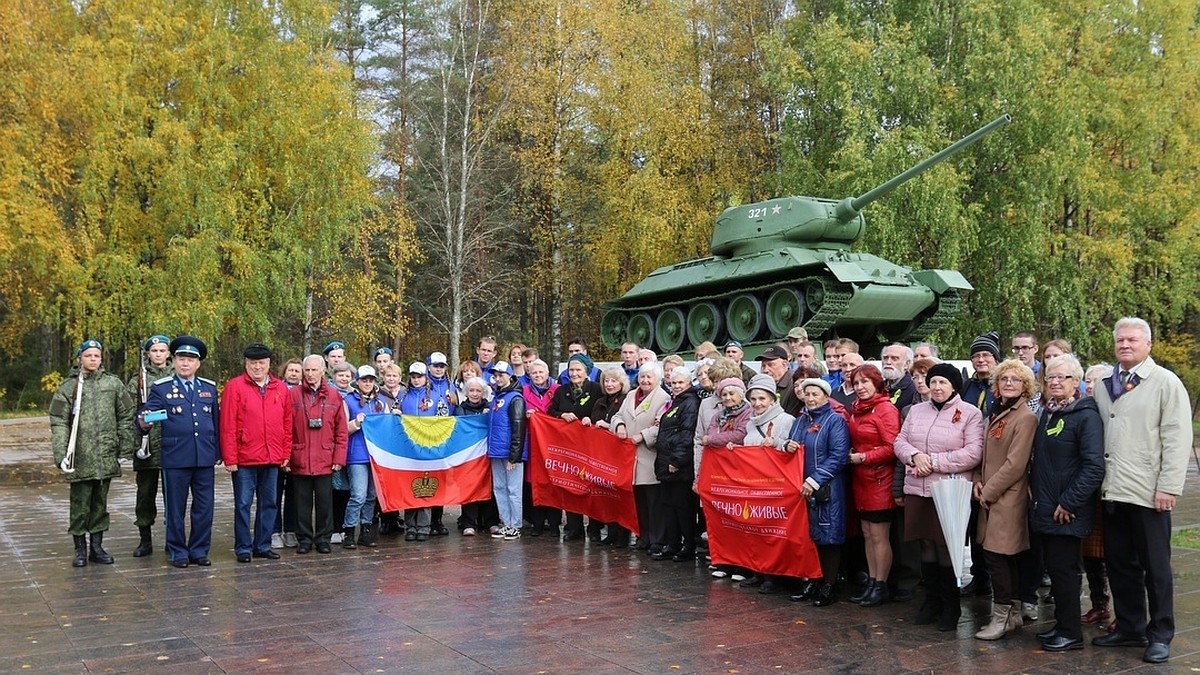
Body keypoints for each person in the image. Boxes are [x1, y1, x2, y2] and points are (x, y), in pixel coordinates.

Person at [1092, 317, 1192, 664]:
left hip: (1150, 492)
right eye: (1120, 340)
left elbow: (1177, 439)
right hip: (1114, 491)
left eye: (1132, 340)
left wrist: (1168, 486)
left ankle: (1160, 633)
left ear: (1148, 344)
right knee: (1120, 564)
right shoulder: (1104, 384)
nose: (1125, 345)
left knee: (1157, 568)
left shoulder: (1165, 383)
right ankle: (1130, 626)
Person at [893, 362, 984, 631]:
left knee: (946, 546)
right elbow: (900, 441)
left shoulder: (970, 413)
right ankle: (931, 601)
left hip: (948, 490)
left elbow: (973, 453)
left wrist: (932, 461)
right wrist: (914, 456)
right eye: (933, 382)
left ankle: (951, 605)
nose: (936, 387)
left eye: (942, 382)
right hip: (917, 489)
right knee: (925, 545)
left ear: (954, 385)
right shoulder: (916, 410)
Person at [1029, 354, 1105, 652]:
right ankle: (1061, 624)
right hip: (1046, 506)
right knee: (1057, 570)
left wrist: (1070, 502)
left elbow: (1093, 466)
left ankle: (1071, 633)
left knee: (1065, 572)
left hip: (1066, 511)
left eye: (1063, 377)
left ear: (1077, 382)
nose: (1055, 382)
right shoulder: (1050, 412)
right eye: (1050, 377)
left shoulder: (1085, 415)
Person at [50, 339, 137, 567]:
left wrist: (125, 447)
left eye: (96, 356)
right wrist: (62, 454)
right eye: (88, 355)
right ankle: (80, 549)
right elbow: (58, 421)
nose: (92, 359)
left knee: (100, 504)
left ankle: (97, 547)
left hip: (105, 455)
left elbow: (127, 415)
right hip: (80, 456)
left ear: (101, 359)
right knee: (80, 505)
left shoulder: (113, 384)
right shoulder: (68, 387)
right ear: (80, 358)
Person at [136, 336, 219, 568]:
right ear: (174, 361)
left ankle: (199, 550)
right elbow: (147, 416)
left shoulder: (208, 388)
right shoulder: (162, 388)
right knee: (175, 509)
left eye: (190, 360)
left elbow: (215, 421)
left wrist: (218, 451)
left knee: (204, 508)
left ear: (198, 364)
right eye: (181, 359)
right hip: (175, 458)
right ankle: (178, 551)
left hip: (203, 456)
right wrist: (146, 420)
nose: (185, 364)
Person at [972, 359, 1037, 640]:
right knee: (1000, 557)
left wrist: (988, 492)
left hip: (1008, 497)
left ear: (1026, 387)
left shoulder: (1025, 418)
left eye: (1015, 379)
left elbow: (1015, 464)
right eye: (1004, 379)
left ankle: (1001, 618)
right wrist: (977, 479)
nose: (1008, 383)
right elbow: (985, 455)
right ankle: (1010, 615)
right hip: (990, 494)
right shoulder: (998, 412)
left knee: (999, 556)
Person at [220, 343, 292, 564]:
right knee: (243, 504)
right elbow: (227, 424)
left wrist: (285, 452)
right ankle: (243, 546)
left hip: (272, 457)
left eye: (261, 363)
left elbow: (287, 423)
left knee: (269, 503)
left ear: (269, 364)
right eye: (253, 363)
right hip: (244, 458)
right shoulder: (235, 387)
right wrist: (230, 458)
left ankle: (262, 544)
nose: (257, 367)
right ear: (246, 363)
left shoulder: (280, 388)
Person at [787, 377, 850, 606]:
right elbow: (791, 445)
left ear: (825, 396)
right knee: (808, 537)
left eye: (816, 394)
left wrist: (815, 479)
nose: (811, 399)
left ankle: (829, 585)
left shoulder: (835, 421)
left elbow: (838, 456)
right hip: (800, 488)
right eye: (807, 394)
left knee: (829, 537)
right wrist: (786, 445)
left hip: (827, 487)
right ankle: (813, 579)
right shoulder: (800, 419)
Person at [846, 364, 901, 607]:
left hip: (880, 480)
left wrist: (864, 457)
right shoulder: (857, 409)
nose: (860, 387)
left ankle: (881, 585)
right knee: (868, 534)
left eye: (865, 382)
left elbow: (893, 447)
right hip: (861, 479)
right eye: (856, 383)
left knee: (879, 536)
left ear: (877, 383)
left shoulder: (885, 409)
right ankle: (872, 581)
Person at [741, 373, 796, 593]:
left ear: (772, 399)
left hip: (775, 485)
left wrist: (777, 443)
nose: (757, 404)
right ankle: (759, 570)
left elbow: (792, 448)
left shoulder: (786, 420)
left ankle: (774, 575)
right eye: (753, 399)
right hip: (754, 484)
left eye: (762, 399)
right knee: (756, 530)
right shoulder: (750, 424)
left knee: (773, 532)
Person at [287, 354, 348, 555]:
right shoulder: (293, 395)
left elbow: (341, 430)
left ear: (323, 371)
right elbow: (285, 428)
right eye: (307, 370)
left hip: (325, 458)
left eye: (314, 370)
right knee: (301, 503)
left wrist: (339, 458)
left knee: (325, 503)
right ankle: (304, 539)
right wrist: (286, 457)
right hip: (300, 457)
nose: (310, 374)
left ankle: (323, 538)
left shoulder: (333, 395)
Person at [614, 362, 671, 551]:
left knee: (654, 503)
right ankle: (642, 536)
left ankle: (657, 540)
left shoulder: (664, 398)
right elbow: (618, 415)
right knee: (638, 503)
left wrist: (644, 436)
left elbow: (661, 426)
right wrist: (620, 426)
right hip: (629, 459)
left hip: (648, 455)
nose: (645, 380)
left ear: (658, 379)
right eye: (642, 376)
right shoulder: (631, 394)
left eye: (649, 377)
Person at [549, 353, 605, 542]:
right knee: (571, 486)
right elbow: (551, 412)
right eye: (571, 370)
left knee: (592, 487)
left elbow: (605, 411)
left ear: (587, 371)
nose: (574, 373)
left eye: (578, 369)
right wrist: (562, 415)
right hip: (569, 447)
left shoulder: (597, 389)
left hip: (591, 447)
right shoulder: (561, 391)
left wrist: (593, 419)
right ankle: (574, 527)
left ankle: (595, 528)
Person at [126, 335, 172, 557]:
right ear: (147, 355)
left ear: (169, 353)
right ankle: (145, 539)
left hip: (172, 445)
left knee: (172, 495)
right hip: (147, 445)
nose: (158, 355)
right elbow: (128, 414)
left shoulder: (178, 376)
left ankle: (172, 538)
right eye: (154, 351)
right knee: (145, 495)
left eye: (162, 351)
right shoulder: (138, 380)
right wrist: (134, 442)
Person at [651, 368, 701, 562]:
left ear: (689, 383)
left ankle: (688, 546)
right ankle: (673, 544)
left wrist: (676, 461)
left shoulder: (690, 403)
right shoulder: (675, 403)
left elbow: (687, 434)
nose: (677, 386)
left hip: (679, 466)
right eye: (674, 383)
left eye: (681, 382)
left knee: (683, 508)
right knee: (669, 507)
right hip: (665, 462)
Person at [1080, 362, 1116, 631]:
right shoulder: (1081, 408)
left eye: (1097, 380)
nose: (1090, 385)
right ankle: (1099, 605)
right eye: (1087, 380)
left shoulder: (1113, 409)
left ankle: (1122, 611)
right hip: (1086, 492)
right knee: (1091, 554)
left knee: (1116, 555)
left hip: (1112, 489)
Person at [588, 366, 632, 546]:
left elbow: (627, 425)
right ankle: (611, 532)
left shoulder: (626, 401)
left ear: (622, 383)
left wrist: (608, 426)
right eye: (607, 381)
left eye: (613, 381)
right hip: (602, 455)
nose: (610, 384)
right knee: (607, 495)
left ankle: (623, 535)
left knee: (620, 495)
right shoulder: (599, 402)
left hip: (619, 454)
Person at [342, 365, 385, 549]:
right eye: (364, 380)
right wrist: (356, 422)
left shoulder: (380, 402)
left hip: (375, 455)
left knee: (371, 495)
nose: (367, 383)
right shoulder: (348, 400)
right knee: (358, 495)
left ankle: (365, 531)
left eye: (370, 380)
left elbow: (386, 427)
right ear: (357, 381)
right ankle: (349, 531)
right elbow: (343, 428)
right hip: (356, 455)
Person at [486, 362, 528, 540]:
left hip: (510, 454)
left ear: (510, 376)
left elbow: (518, 427)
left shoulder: (515, 398)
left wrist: (514, 456)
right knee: (500, 488)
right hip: (496, 451)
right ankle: (506, 522)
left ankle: (516, 524)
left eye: (502, 374)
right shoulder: (497, 397)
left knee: (513, 489)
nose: (498, 377)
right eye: (496, 374)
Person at [399, 361, 437, 540]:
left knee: (425, 486)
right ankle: (410, 526)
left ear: (425, 378)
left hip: (427, 448)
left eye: (419, 377)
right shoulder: (402, 396)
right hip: (407, 449)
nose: (416, 380)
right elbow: (392, 417)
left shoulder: (436, 396)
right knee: (410, 487)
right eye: (413, 377)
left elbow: (443, 421)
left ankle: (424, 526)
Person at [456, 376, 496, 536]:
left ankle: (491, 521)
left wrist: (489, 415)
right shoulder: (460, 409)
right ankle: (469, 523)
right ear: (466, 392)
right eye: (471, 390)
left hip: (487, 455)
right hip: (468, 456)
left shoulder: (491, 408)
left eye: (478, 390)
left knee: (489, 488)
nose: (474, 393)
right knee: (469, 489)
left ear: (484, 392)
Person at [273, 358, 303, 549]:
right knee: (274, 492)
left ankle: (291, 530)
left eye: (297, 371)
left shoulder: (304, 393)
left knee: (294, 493)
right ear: (284, 372)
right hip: (278, 446)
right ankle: (274, 531)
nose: (293, 373)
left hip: (298, 448)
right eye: (290, 370)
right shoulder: (276, 390)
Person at [962, 331, 1000, 412]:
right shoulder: (965, 386)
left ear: (996, 359)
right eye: (976, 356)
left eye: (986, 355)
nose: (981, 360)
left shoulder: (1004, 386)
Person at [756, 344, 799, 414]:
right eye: (763, 366)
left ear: (784, 364)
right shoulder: (762, 385)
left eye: (770, 365)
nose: (765, 370)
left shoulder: (795, 385)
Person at [880, 343, 917, 410]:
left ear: (907, 364)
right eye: (885, 358)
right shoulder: (877, 387)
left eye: (894, 358)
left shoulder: (914, 389)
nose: (888, 362)